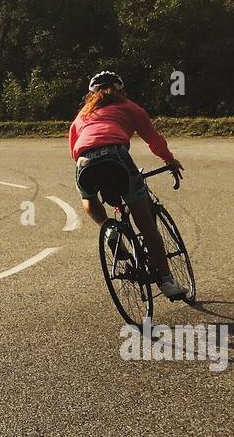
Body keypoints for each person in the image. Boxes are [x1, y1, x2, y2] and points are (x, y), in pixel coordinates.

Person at [70, 71, 188, 301]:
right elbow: (153, 139)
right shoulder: (129, 107)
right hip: (117, 157)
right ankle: (167, 281)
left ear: (90, 96)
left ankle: (109, 229)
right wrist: (169, 160)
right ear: (121, 90)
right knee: (146, 224)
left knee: (89, 199)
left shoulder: (81, 116)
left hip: (85, 161)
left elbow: (74, 149)